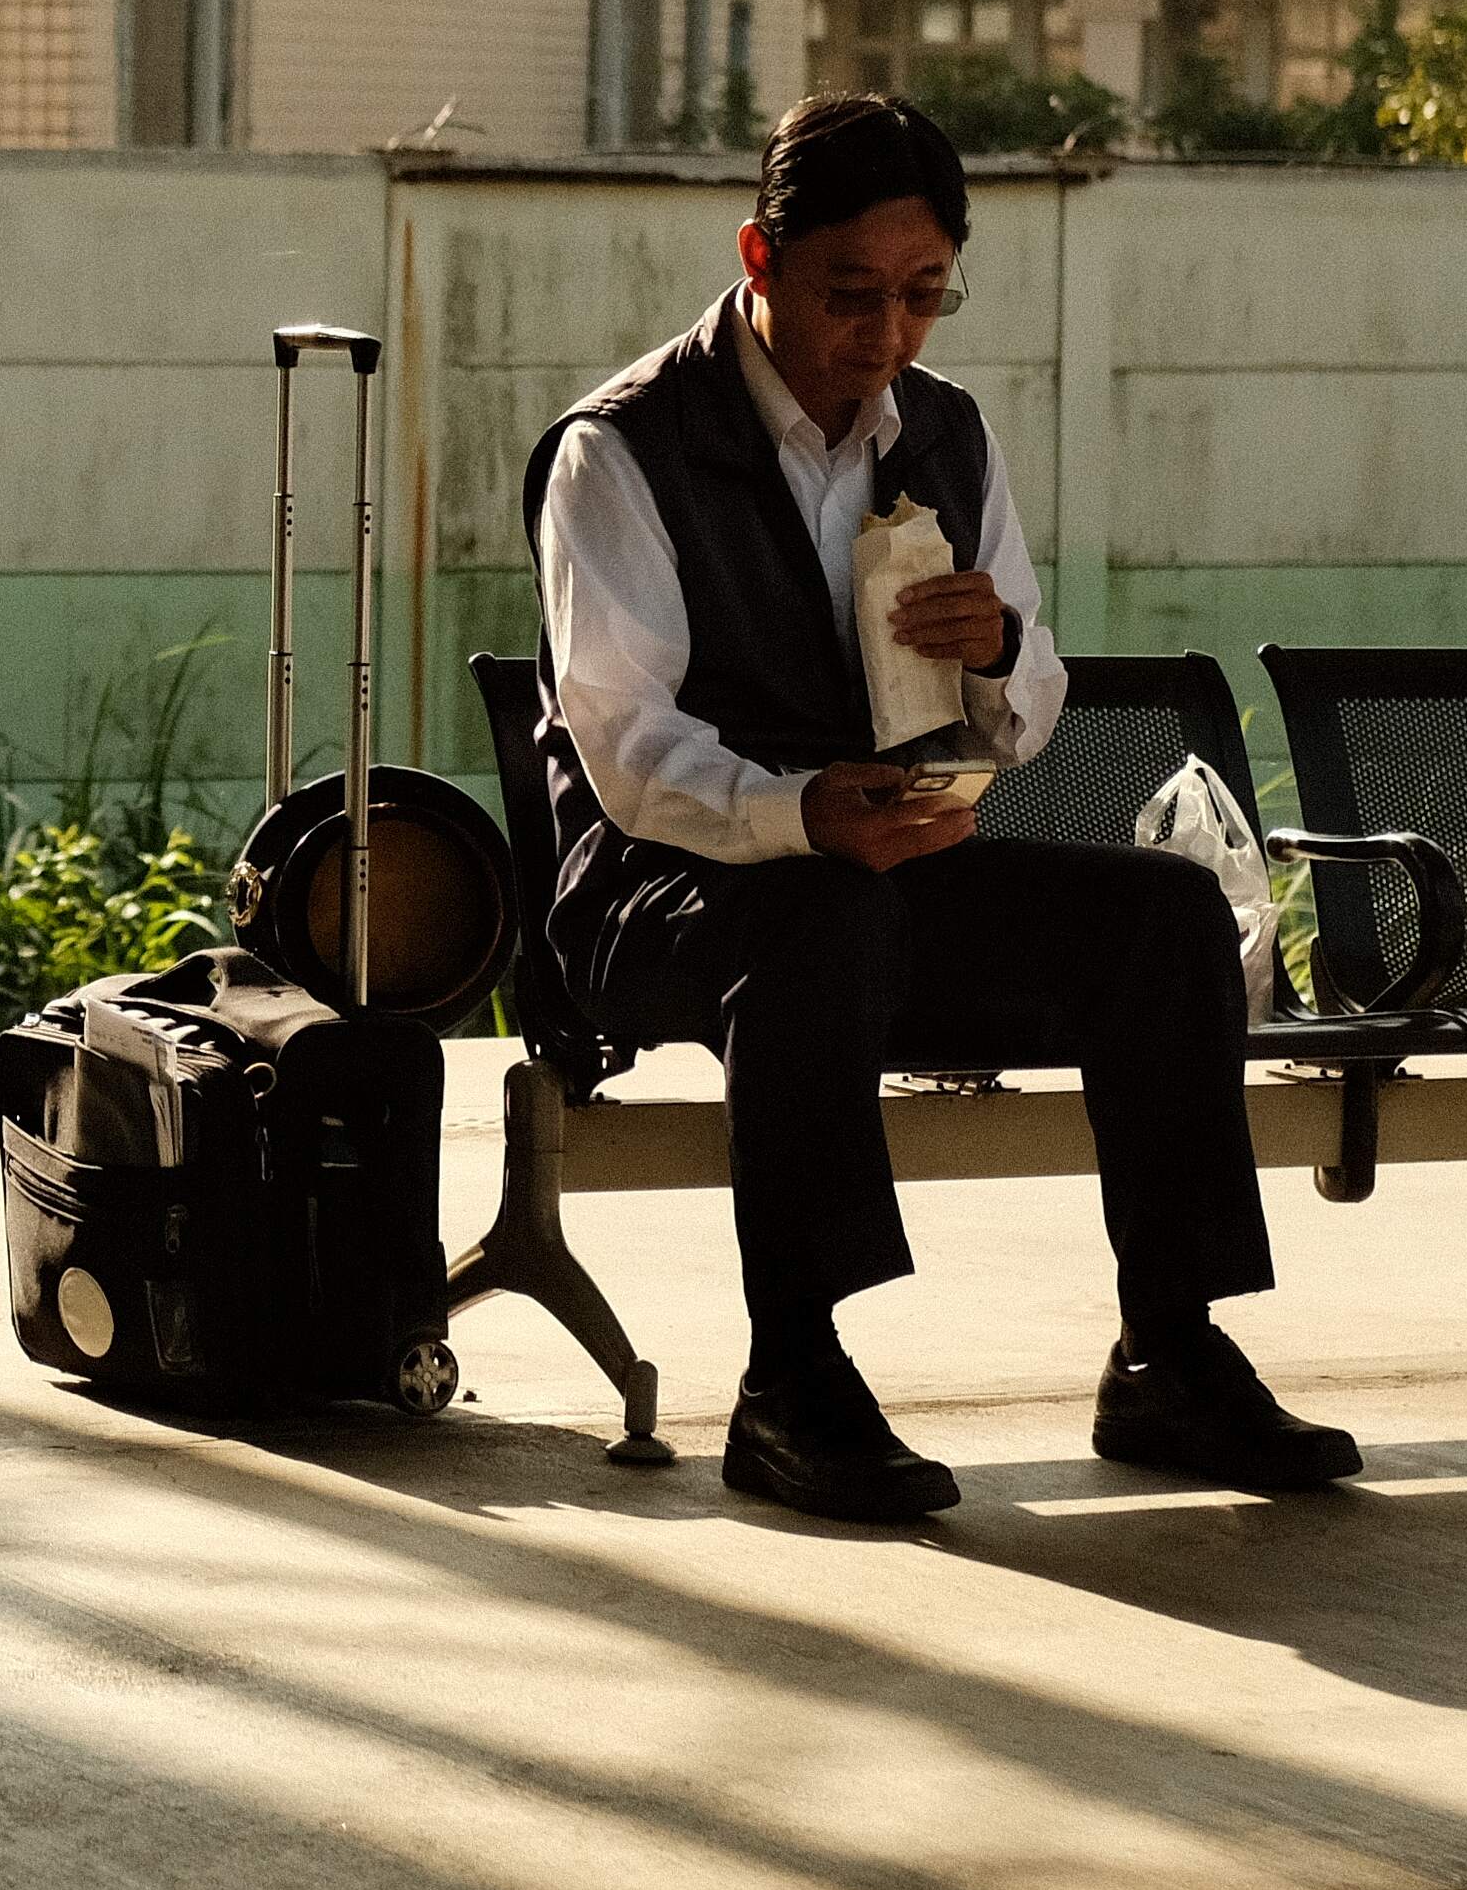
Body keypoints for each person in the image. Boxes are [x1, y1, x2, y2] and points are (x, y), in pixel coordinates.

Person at [518, 92, 1359, 1526]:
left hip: (875, 869)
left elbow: (1027, 711)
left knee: (1162, 919)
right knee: (822, 917)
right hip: (659, 892)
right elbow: (627, 746)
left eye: (924, 294)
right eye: (852, 293)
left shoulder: (949, 436)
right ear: (760, 258)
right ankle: (793, 1378)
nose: (889, 333)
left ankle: (1170, 1348)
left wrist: (996, 653)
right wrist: (801, 810)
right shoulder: (623, 448)